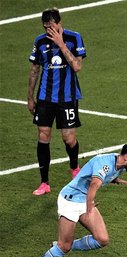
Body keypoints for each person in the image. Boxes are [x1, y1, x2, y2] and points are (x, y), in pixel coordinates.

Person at [27, 143, 127, 257]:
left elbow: (97, 176)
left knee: (102, 239)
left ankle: (56, 247)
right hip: (70, 200)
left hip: (84, 200)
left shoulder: (119, 164)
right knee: (65, 245)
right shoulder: (105, 164)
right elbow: (94, 184)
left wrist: (114, 180)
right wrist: (90, 205)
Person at [28, 8, 87, 195]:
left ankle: (74, 166)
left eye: (51, 26)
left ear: (59, 22)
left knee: (68, 138)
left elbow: (77, 66)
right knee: (43, 136)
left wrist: (61, 45)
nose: (48, 30)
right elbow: (35, 70)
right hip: (45, 98)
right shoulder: (40, 42)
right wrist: (30, 97)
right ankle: (44, 182)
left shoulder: (74, 38)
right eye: (45, 27)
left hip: (67, 98)